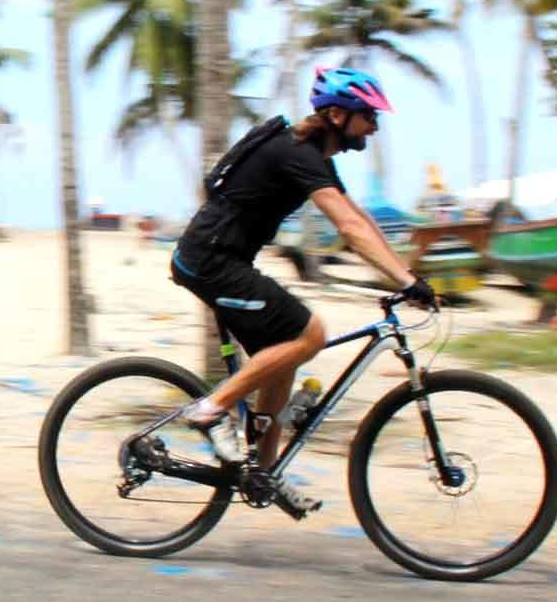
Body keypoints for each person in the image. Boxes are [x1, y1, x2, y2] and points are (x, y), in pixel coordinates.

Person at [169, 67, 437, 518]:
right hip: (210, 261)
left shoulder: (315, 157)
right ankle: (211, 409)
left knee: (284, 357)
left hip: (226, 261)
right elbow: (348, 229)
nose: (375, 126)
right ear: (336, 115)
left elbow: (360, 219)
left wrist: (406, 274)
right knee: (309, 334)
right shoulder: (296, 153)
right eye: (369, 116)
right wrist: (407, 284)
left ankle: (264, 473)